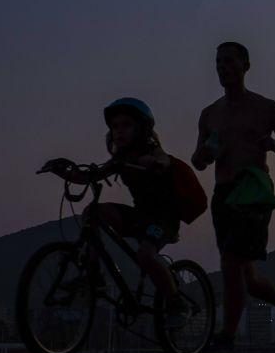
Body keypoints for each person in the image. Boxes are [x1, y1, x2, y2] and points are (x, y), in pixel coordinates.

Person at [192, 41, 275, 353]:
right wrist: (206, 153)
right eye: (218, 62)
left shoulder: (266, 108)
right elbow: (197, 160)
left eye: (229, 61)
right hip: (223, 195)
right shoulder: (209, 114)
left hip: (253, 193)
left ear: (246, 65)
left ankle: (226, 337)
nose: (222, 67)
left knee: (230, 262)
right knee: (246, 275)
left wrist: (274, 146)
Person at [44, 98, 190, 328]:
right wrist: (62, 171)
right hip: (139, 216)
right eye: (115, 127)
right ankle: (94, 274)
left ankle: (176, 302)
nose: (119, 131)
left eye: (126, 125)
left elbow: (162, 160)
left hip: (163, 219)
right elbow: (86, 178)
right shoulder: (119, 160)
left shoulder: (152, 150)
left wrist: (154, 163)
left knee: (145, 256)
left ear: (142, 128)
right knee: (93, 212)